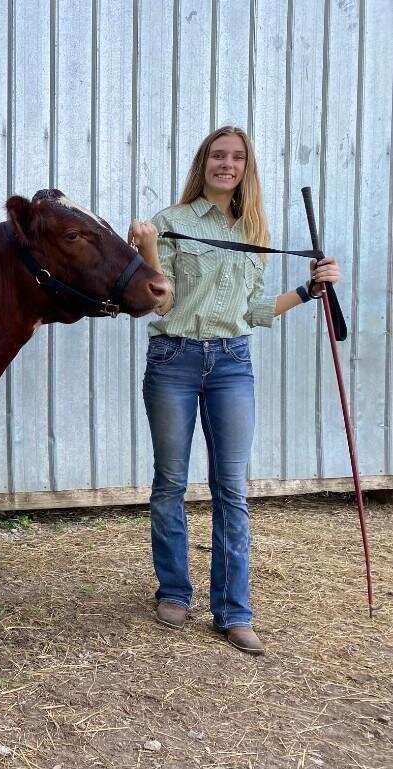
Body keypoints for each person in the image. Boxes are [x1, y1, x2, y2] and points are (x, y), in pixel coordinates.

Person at [127, 125, 340, 655]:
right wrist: (150, 247)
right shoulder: (170, 223)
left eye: (237, 157)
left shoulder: (254, 230)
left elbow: (251, 310)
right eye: (218, 156)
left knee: (232, 490)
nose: (227, 164)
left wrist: (309, 290)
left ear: (247, 168)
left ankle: (234, 610)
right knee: (171, 482)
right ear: (204, 164)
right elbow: (160, 302)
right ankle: (174, 591)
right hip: (174, 358)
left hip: (232, 364)